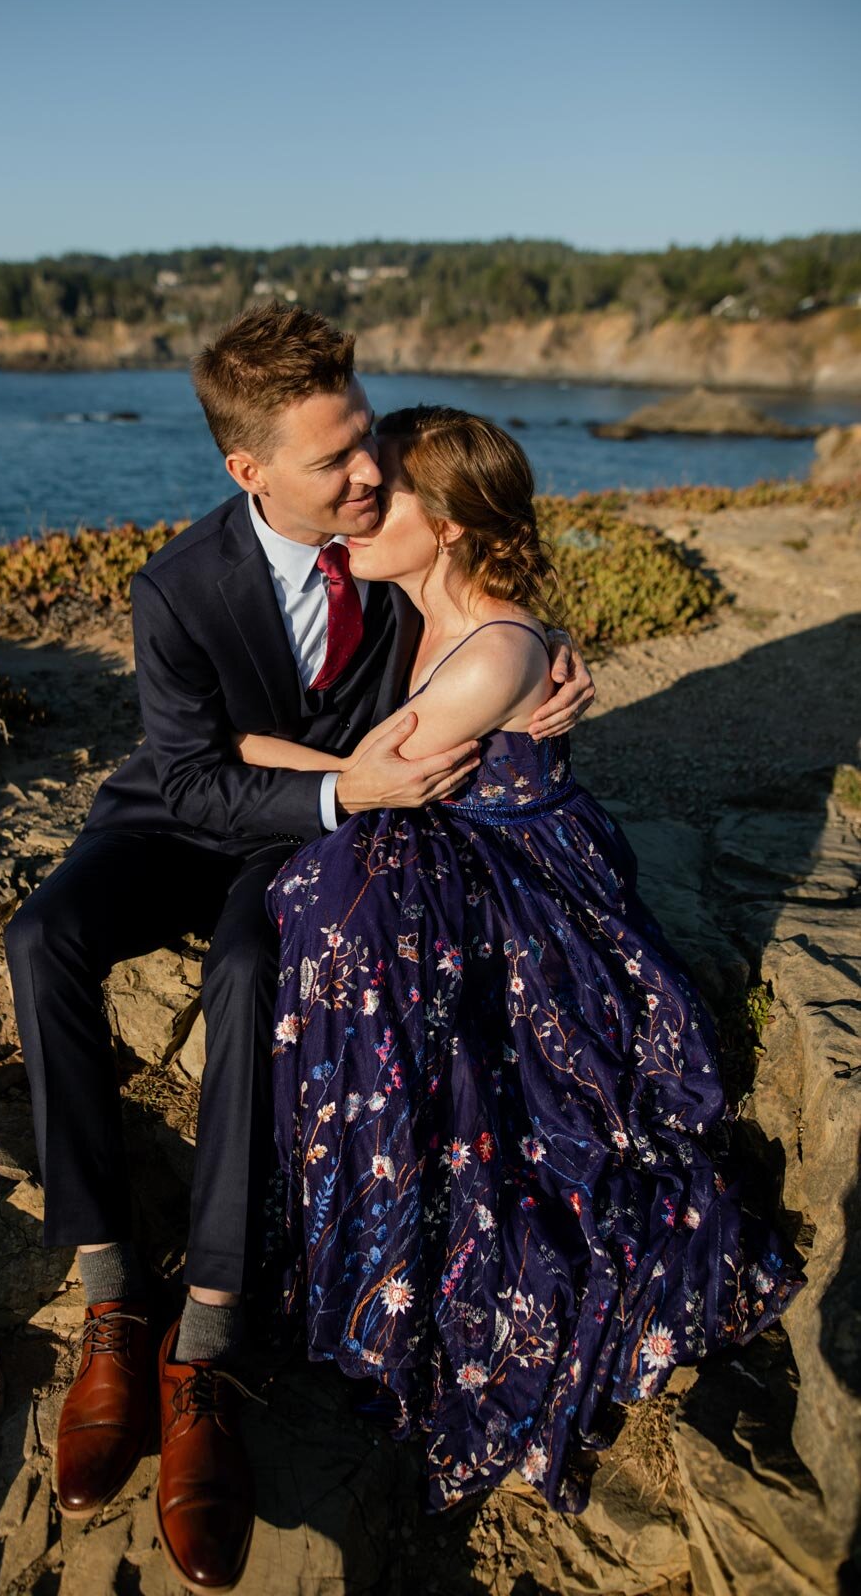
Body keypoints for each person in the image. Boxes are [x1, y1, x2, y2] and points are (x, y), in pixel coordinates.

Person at [3, 307, 595, 1587]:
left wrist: (542, 658)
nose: (368, 472)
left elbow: (475, 606)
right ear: (247, 470)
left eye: (367, 434)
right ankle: (110, 1291)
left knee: (245, 968)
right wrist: (348, 789)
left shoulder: (382, 549)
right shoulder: (174, 586)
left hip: (303, 852)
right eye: (334, 458)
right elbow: (190, 775)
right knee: (41, 931)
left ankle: (203, 1340)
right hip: (193, 814)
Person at [239, 404, 803, 1515]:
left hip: (531, 885)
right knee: (351, 884)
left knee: (350, 886)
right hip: (478, 849)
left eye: (383, 489)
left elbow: (365, 773)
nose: (358, 500)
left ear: (446, 525)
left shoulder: (493, 650)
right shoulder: (413, 619)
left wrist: (239, 747)